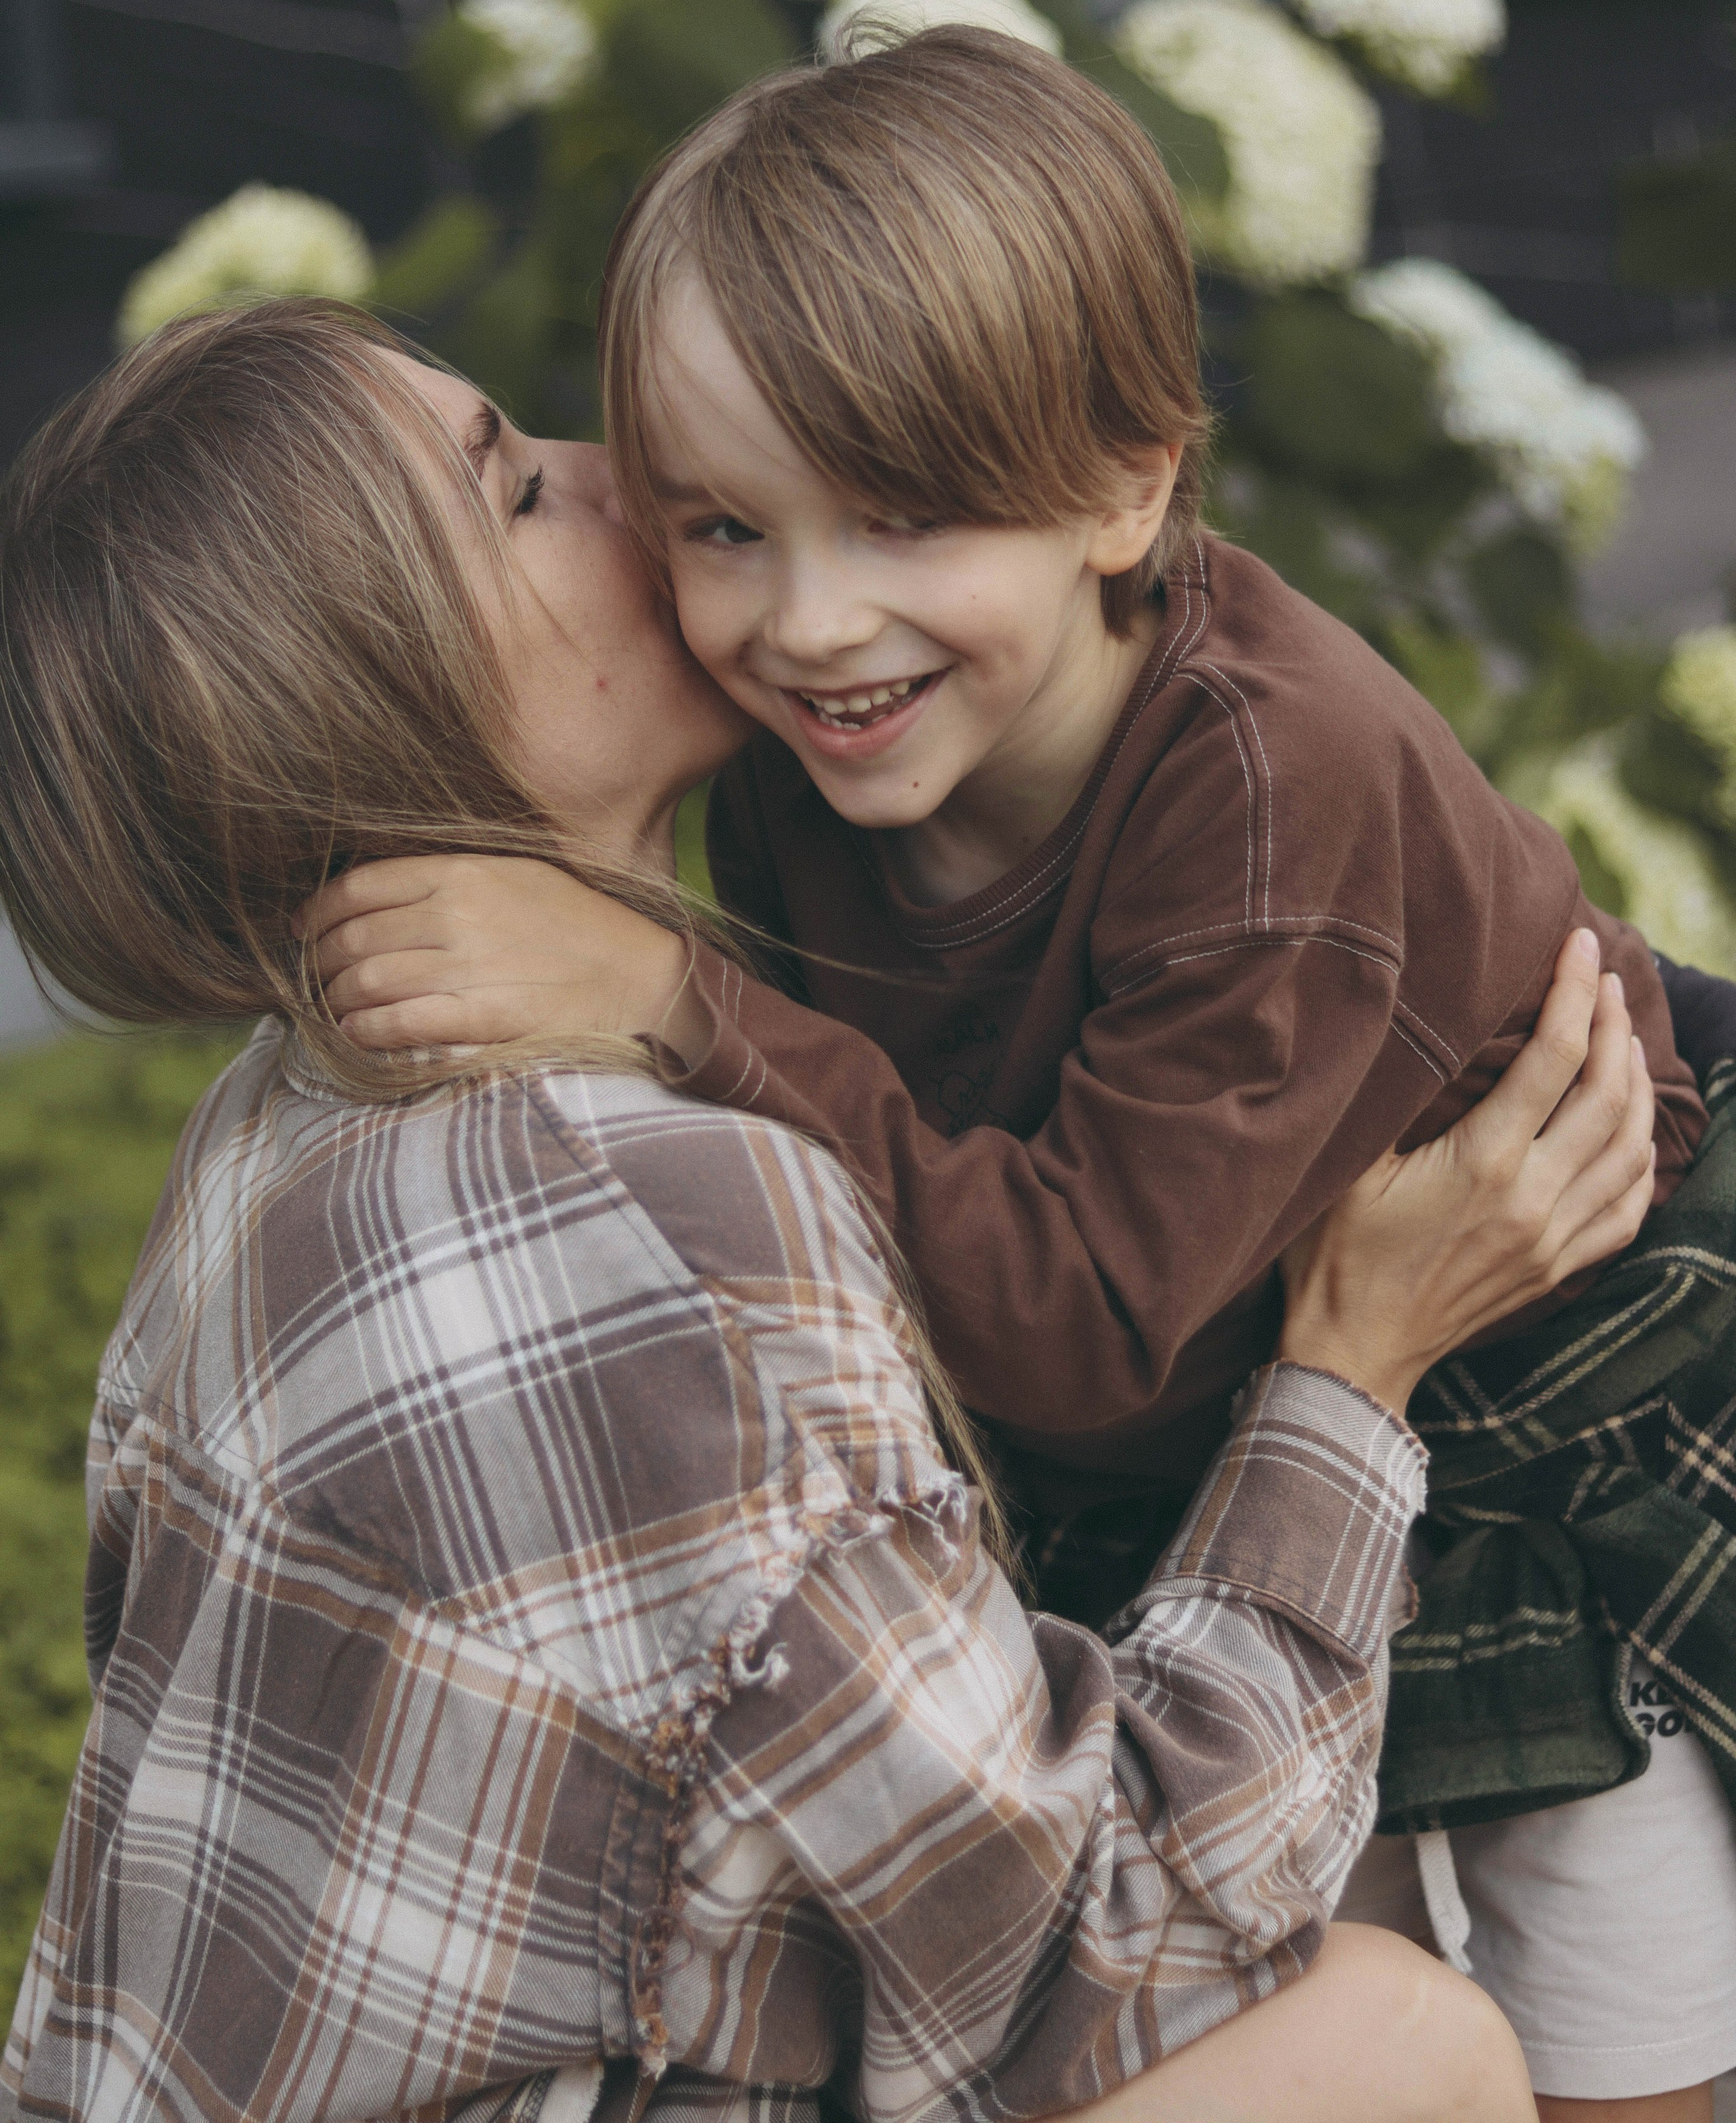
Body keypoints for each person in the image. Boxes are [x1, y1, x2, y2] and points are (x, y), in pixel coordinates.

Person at [0, 304, 1659, 2123]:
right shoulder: (658, 1241)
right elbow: (1108, 1941)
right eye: (520, 491)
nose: (627, 478)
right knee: (1388, 2048)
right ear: (369, 702)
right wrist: (1352, 1371)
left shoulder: (281, 1111)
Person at [302, 29, 1736, 2122]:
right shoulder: (824, 755)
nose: (810, 623)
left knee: (1613, 1985)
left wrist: (680, 998)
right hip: (1251, 1412)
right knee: (1312, 1972)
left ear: (1128, 485)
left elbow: (1081, 1330)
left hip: (1550, 1375)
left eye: (905, 517)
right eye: (725, 525)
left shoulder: (1269, 802)